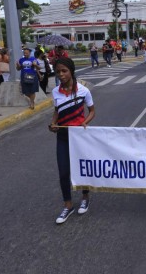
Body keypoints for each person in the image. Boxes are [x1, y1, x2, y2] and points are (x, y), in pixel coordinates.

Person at [49, 57, 95, 225]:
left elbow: (92, 111)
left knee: (82, 169)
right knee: (64, 172)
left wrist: (85, 122)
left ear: (71, 71)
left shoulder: (83, 90)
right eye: (58, 71)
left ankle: (85, 197)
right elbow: (57, 111)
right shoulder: (55, 92)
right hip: (62, 136)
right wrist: (53, 123)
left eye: (64, 71)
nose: (61, 75)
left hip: (79, 137)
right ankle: (68, 205)